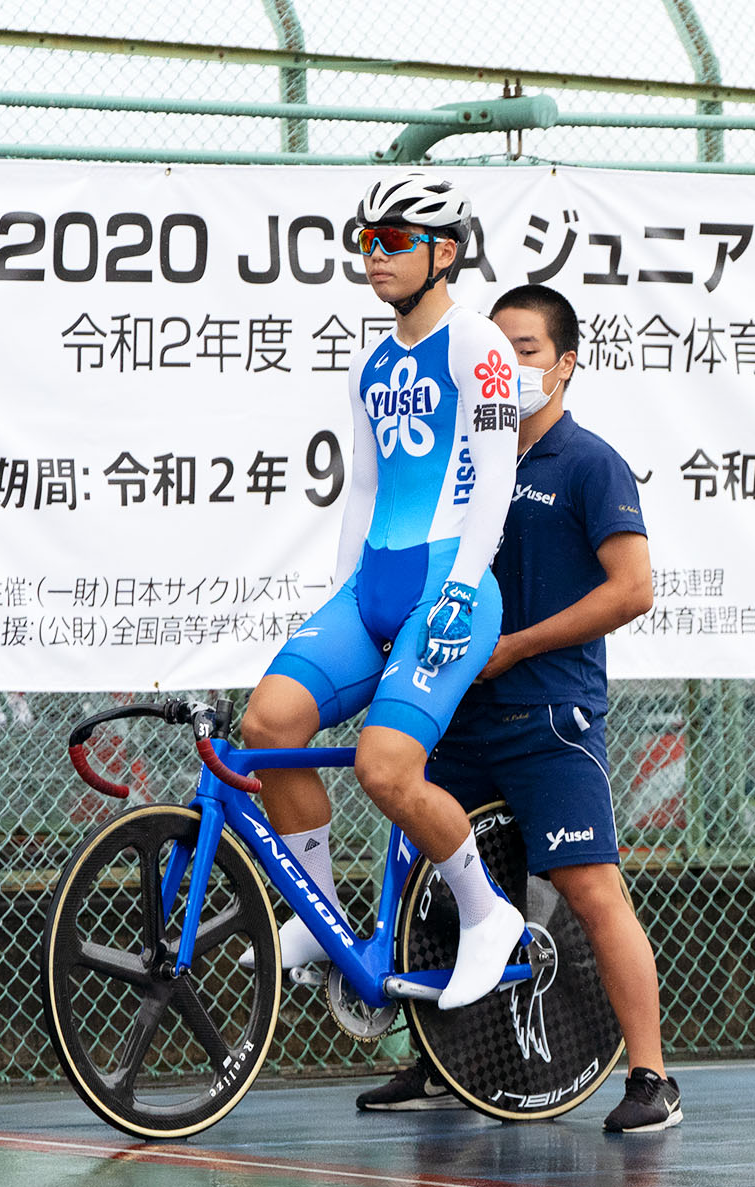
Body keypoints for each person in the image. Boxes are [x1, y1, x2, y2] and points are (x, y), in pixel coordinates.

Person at [357, 284, 680, 1133]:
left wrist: (518, 647)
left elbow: (634, 589)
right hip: (455, 713)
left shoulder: (588, 463)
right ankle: (438, 1067)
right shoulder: (460, 462)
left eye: (529, 348)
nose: (509, 360)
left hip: (548, 719)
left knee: (588, 887)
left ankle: (650, 1078)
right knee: (442, 890)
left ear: (566, 364)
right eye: (499, 345)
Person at [238, 172, 527, 1012]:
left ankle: (487, 914)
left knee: (385, 769)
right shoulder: (372, 362)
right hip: (373, 586)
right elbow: (361, 493)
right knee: (269, 725)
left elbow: (495, 480)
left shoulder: (477, 342)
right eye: (367, 241)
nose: (375, 257)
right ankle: (320, 910)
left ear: (445, 253)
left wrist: (462, 590)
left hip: (453, 586)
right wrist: (339, 597)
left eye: (395, 241)